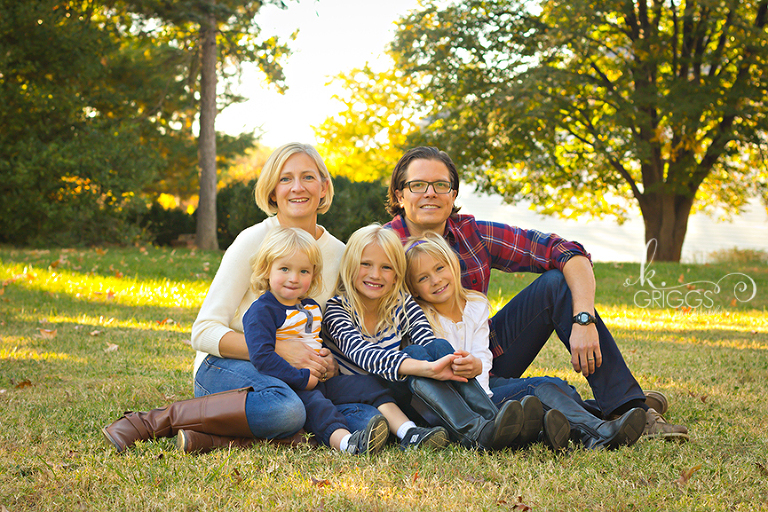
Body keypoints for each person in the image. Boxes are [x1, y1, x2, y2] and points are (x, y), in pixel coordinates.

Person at [384, 146, 688, 441]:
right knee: (542, 389)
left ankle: (628, 407)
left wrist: (584, 319)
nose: (430, 193)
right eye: (418, 185)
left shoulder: (472, 233)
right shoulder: (380, 247)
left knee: (556, 283)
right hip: (424, 378)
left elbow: (567, 251)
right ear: (400, 195)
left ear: (453, 194)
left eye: (441, 185)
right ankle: (598, 414)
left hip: (481, 356)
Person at [102, 143, 381, 454]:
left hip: (296, 377)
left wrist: (325, 360)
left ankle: (216, 439)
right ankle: (158, 421)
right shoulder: (253, 240)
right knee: (286, 410)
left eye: (308, 177)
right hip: (228, 367)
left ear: (324, 187)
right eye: (285, 179)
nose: (297, 187)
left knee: (368, 418)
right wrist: (280, 349)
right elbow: (204, 331)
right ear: (272, 192)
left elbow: (324, 329)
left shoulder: (341, 255)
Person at [404, 232, 648, 450]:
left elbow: (483, 354)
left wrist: (478, 368)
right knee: (533, 392)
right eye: (423, 278)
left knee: (547, 385)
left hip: (485, 384)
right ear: (413, 289)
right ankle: (599, 433)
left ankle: (587, 425)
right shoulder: (421, 317)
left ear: (453, 267)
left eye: (439, 269)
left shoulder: (475, 304)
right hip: (464, 402)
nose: (435, 280)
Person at [243, 226, 449, 453]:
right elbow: (262, 357)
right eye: (284, 269)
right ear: (265, 270)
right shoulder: (261, 310)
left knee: (369, 385)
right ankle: (347, 443)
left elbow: (315, 343)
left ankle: (409, 432)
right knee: (318, 406)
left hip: (320, 380)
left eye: (303, 271)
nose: (294, 278)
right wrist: (301, 379)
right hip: (290, 383)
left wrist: (325, 361)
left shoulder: (310, 306)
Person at [322, 224, 525, 451]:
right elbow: (363, 354)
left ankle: (489, 418)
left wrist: (452, 362)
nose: (375, 275)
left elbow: (427, 341)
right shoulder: (337, 310)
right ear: (350, 266)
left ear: (397, 273)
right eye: (365, 264)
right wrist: (425, 368)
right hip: (364, 394)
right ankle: (474, 431)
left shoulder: (402, 303)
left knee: (434, 347)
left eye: (386, 267)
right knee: (416, 356)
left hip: (401, 389)